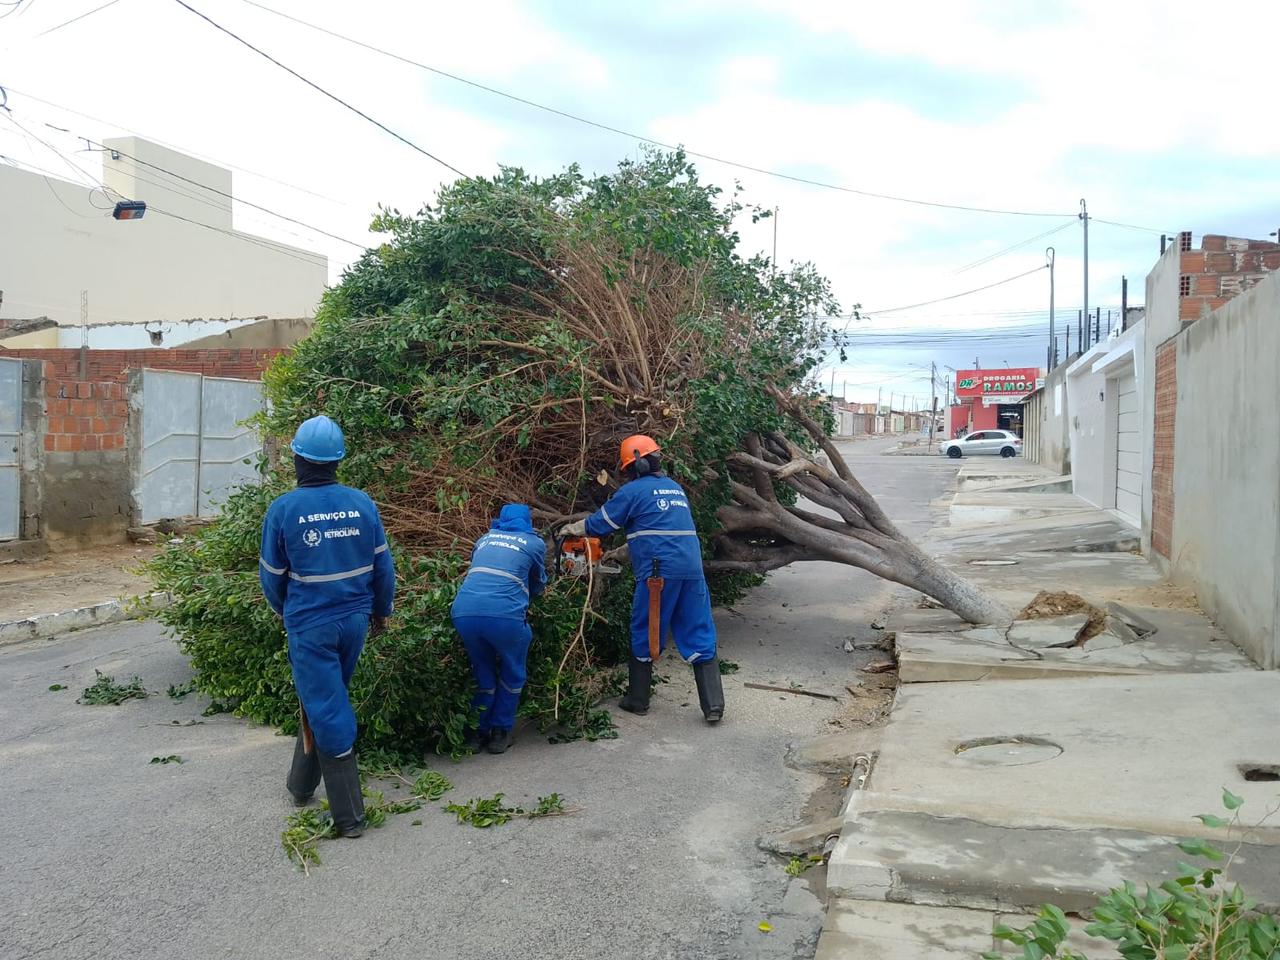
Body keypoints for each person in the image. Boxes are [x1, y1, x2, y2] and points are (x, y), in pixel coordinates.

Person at [259, 415, 396, 838]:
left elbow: (271, 576)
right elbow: (383, 567)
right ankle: (300, 785)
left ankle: (349, 817)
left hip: (312, 626)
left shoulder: (283, 510)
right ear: (337, 461)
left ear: (298, 458)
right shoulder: (362, 503)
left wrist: (286, 612)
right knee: (324, 700)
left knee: (328, 707)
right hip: (354, 621)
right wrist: (382, 611)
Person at [560, 435, 724, 723]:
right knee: (698, 629)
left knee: (645, 629)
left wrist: (573, 528)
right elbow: (661, 529)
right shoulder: (674, 488)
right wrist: (627, 550)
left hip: (658, 573)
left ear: (635, 466)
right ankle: (713, 706)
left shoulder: (633, 492)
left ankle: (637, 699)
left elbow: (601, 524)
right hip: (691, 569)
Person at [451, 503, 547, 755]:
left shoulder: (485, 539)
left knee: (483, 671)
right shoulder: (534, 543)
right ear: (527, 521)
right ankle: (500, 732)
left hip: (464, 613)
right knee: (513, 673)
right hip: (504, 617)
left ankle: (475, 731)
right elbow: (538, 584)